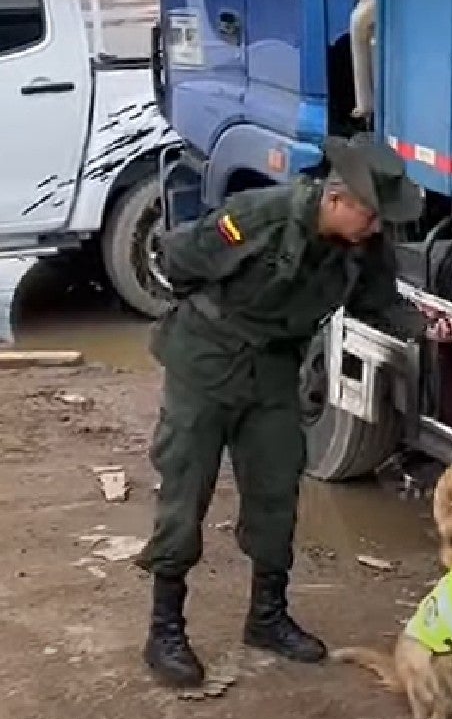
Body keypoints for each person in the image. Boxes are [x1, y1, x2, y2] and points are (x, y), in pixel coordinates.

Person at [135, 133, 435, 688]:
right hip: (207, 363)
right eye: (370, 216)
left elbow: (379, 302)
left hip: (274, 372)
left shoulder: (362, 247)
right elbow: (180, 258)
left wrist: (429, 330)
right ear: (337, 198)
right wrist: (216, 319)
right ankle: (165, 630)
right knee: (185, 491)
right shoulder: (260, 216)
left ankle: (267, 617)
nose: (376, 229)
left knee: (276, 491)